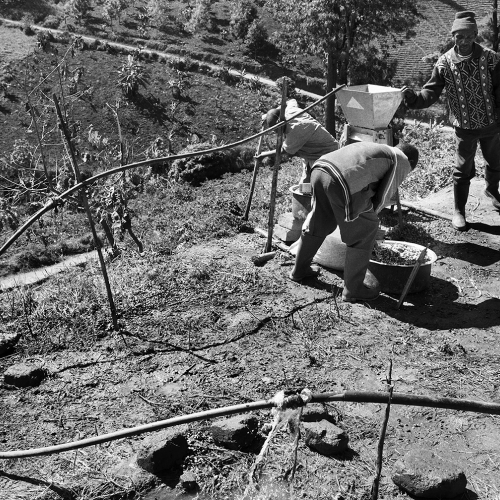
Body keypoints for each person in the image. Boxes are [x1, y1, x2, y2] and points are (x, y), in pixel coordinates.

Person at [401, 11, 500, 231]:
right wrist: (414, 99)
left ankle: (492, 191)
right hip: (464, 127)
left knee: (495, 161)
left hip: (491, 123)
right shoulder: (445, 63)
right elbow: (431, 92)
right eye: (459, 36)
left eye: (468, 36)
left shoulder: (491, 58)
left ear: (475, 34)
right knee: (462, 168)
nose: (464, 41)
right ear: (453, 36)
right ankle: (459, 211)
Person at [290, 141, 419, 303]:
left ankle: (299, 270)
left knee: (321, 221)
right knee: (365, 230)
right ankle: (353, 290)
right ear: (411, 162)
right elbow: (384, 196)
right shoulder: (402, 160)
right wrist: (371, 221)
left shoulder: (379, 149)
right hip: (342, 180)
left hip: (320, 169)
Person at [261, 99, 339, 184]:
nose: (275, 132)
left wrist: (263, 155)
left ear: (280, 123)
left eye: (275, 129)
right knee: (304, 187)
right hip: (311, 153)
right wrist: (271, 115)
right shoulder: (290, 111)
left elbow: (285, 151)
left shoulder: (295, 130)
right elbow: (291, 101)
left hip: (325, 154)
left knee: (316, 186)